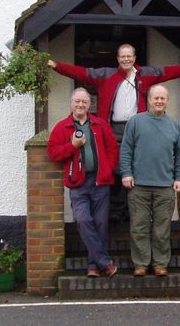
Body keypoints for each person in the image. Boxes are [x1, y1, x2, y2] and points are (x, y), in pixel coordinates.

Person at [48, 44, 180, 221]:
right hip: (113, 128)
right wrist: (57, 66)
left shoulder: (146, 74)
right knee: (115, 167)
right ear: (118, 59)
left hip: (138, 129)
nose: (126, 59)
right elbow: (81, 72)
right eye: (122, 56)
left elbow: (167, 72)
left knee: (135, 166)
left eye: (129, 56)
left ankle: (129, 210)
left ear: (135, 58)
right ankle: (116, 210)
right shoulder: (106, 75)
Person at [47, 88, 119, 278]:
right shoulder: (62, 127)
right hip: (77, 183)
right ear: (71, 103)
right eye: (77, 101)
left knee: (101, 224)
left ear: (89, 105)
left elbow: (113, 149)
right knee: (83, 220)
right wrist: (72, 146)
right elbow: (53, 153)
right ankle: (105, 263)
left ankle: (93, 266)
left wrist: (108, 168)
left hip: (99, 181)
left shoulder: (100, 124)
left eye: (84, 102)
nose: (80, 105)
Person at [119, 85, 180, 277]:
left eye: (162, 98)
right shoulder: (136, 122)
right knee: (139, 226)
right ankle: (140, 264)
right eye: (155, 98)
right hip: (138, 185)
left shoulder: (174, 125)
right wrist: (126, 173)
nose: (159, 101)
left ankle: (160, 264)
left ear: (167, 100)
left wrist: (179, 178)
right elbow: (126, 150)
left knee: (162, 229)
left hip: (165, 186)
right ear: (149, 100)